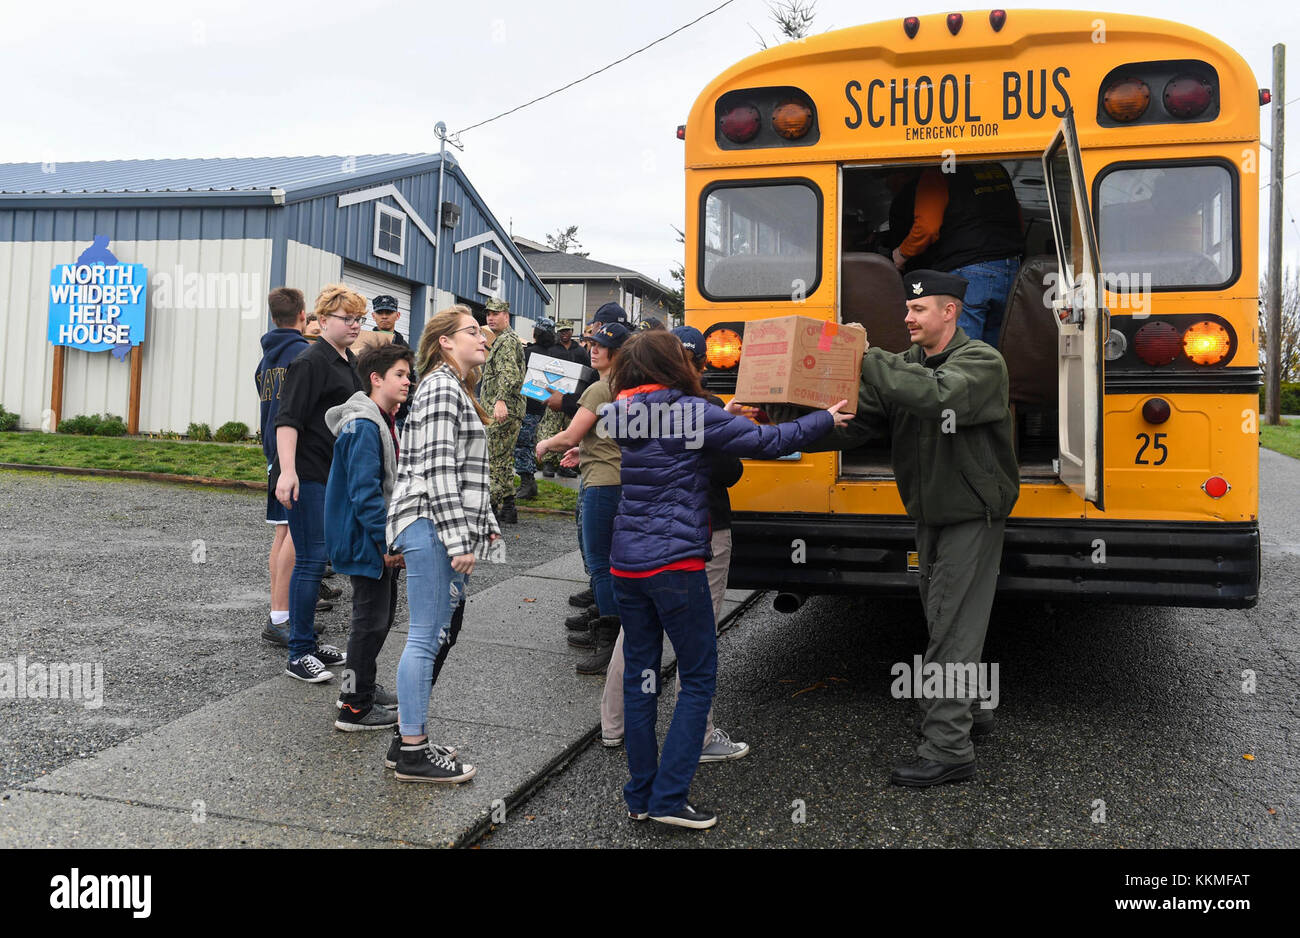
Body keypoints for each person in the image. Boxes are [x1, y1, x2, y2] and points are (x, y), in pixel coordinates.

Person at [774, 269, 1019, 788]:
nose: (906, 318)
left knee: (951, 627)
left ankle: (948, 748)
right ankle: (972, 710)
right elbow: (862, 426)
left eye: (919, 310)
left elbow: (939, 397)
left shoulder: (981, 362)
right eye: (907, 310)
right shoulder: (906, 365)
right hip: (931, 514)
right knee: (946, 620)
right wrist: (786, 425)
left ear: (950, 312)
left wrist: (865, 355)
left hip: (971, 516)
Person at [607, 331, 849, 830]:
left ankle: (640, 793)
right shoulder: (692, 412)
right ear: (674, 366)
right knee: (697, 677)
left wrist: (725, 414)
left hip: (627, 566)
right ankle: (670, 800)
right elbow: (769, 443)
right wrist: (825, 418)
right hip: (676, 565)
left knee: (640, 679)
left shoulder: (623, 413)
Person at [385, 304, 500, 783]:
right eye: (472, 331)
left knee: (434, 634)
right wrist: (458, 539)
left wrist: (486, 523)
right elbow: (438, 472)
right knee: (425, 635)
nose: (484, 338)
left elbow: (466, 469)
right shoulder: (439, 387)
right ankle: (413, 751)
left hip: (437, 524)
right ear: (446, 342)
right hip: (430, 523)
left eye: (483, 331)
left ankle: (404, 741)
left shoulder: (453, 387)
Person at [273, 284, 365, 682]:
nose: (355, 325)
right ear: (323, 320)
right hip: (308, 474)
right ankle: (298, 653)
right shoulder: (309, 362)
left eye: (358, 319)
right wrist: (287, 472)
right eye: (347, 319)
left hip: (336, 474)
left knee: (321, 558)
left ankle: (308, 642)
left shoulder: (348, 362)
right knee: (310, 561)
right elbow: (287, 419)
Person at [323, 342, 414, 731]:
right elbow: (365, 494)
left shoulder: (382, 417)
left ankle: (360, 687)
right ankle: (354, 707)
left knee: (380, 618)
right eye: (400, 374)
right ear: (376, 379)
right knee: (368, 622)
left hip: (373, 540)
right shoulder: (363, 426)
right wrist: (388, 543)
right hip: (367, 542)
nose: (408, 381)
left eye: (409, 374)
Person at [535, 321, 629, 672]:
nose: (593, 349)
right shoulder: (629, 387)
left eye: (601, 346)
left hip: (602, 485)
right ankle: (617, 637)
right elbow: (607, 435)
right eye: (591, 343)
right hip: (623, 480)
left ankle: (608, 642)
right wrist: (586, 451)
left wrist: (546, 443)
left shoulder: (599, 389)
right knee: (617, 562)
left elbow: (570, 435)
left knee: (601, 563)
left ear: (616, 353)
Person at [888, 162, 1023, 345]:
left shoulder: (937, 170)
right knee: (991, 353)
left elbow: (927, 228)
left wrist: (902, 254)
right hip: (1010, 268)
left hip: (968, 272)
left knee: (961, 353)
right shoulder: (996, 168)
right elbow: (1017, 215)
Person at [255, 287, 311, 646]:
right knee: (294, 532)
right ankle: (280, 616)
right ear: (303, 315)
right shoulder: (305, 355)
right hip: (298, 453)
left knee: (282, 532)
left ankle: (279, 612)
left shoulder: (265, 359)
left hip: (274, 453)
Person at [479, 298, 525, 525]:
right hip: (508, 409)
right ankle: (508, 507)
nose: (490, 317)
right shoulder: (505, 340)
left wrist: (500, 401)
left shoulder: (506, 341)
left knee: (494, 461)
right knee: (503, 460)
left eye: (496, 313)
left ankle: (488, 510)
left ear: (507, 316)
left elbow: (511, 375)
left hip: (503, 409)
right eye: (488, 313)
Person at [514, 317, 561, 498]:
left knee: (522, 444)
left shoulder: (529, 353)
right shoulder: (555, 355)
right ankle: (529, 482)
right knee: (529, 443)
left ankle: (527, 482)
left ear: (536, 333)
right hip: (543, 404)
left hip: (526, 405)